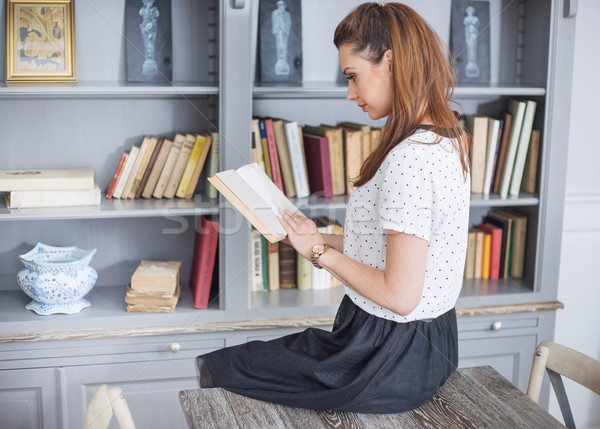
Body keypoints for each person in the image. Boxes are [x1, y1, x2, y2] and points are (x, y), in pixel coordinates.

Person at [196, 2, 471, 413]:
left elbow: (400, 296)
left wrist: (318, 254)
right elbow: (401, 250)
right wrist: (317, 237)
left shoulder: (409, 157)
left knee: (226, 365)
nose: (350, 93)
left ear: (390, 62)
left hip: (383, 356)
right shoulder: (450, 137)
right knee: (257, 360)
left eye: (353, 76)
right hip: (431, 346)